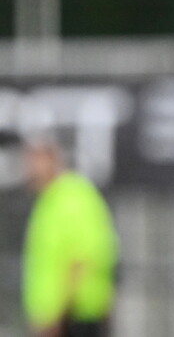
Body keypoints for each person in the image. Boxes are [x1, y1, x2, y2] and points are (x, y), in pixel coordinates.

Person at [21, 138, 118, 337]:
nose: (31, 170)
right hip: (58, 319)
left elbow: (81, 260)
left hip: (75, 319)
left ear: (53, 160)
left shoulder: (73, 197)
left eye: (37, 161)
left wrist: (59, 315)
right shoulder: (48, 200)